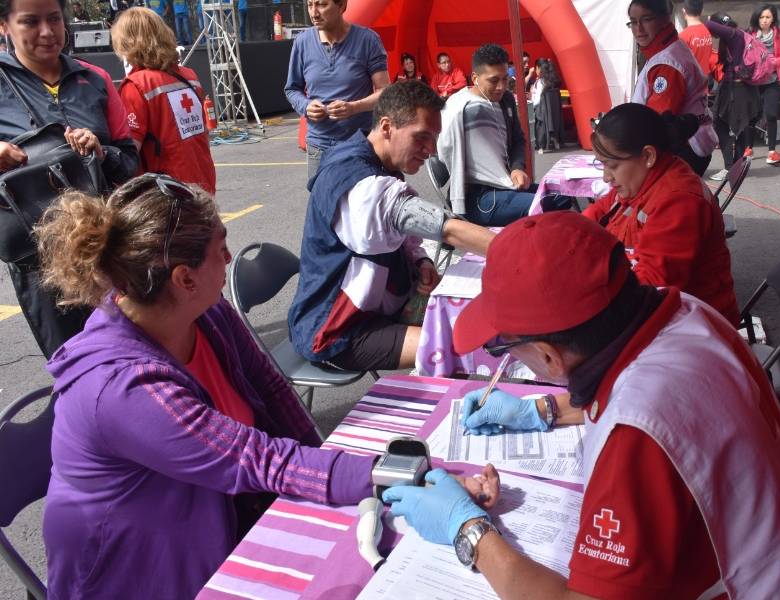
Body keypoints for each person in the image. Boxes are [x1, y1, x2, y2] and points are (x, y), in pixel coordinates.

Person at [35, 174, 500, 597]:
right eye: (221, 247)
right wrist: (406, 474)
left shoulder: (205, 312)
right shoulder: (122, 388)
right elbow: (256, 458)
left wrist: (327, 471)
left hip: (218, 519)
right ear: (184, 278)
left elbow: (273, 394)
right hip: (145, 574)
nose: (230, 257)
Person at [382, 210, 780, 600]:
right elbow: (684, 412)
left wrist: (471, 534)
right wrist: (544, 410)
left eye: (505, 348)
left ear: (546, 354)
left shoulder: (636, 436)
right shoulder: (686, 312)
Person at [288, 80, 496, 372]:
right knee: (461, 343)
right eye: (422, 137)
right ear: (387, 127)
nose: (431, 149)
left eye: (434, 138)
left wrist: (421, 260)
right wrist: (512, 251)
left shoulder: (380, 163)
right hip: (336, 330)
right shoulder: (355, 180)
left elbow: (403, 233)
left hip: (376, 308)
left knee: (479, 319)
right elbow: (439, 226)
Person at [0, 0, 140, 358]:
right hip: (39, 259)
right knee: (76, 363)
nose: (47, 32)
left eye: (54, 19)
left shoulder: (95, 79)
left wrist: (100, 152)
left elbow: (128, 160)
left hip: (106, 247)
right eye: (30, 22)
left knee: (132, 351)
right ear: (4, 26)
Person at [583, 103, 739, 325]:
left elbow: (652, 288)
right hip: (662, 310)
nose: (606, 177)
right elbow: (597, 214)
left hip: (693, 327)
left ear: (648, 155)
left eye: (613, 166)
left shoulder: (679, 200)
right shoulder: (641, 182)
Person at [439, 44, 570, 226]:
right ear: (475, 78)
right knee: (548, 205)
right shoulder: (461, 108)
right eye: (493, 80)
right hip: (479, 197)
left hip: (506, 184)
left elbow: (518, 139)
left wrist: (517, 167)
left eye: (505, 79)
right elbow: (443, 149)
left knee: (562, 197)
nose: (501, 87)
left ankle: (531, 247)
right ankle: (527, 249)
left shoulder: (506, 99)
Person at [111, 7, 216, 194]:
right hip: (202, 187)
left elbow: (128, 156)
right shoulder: (189, 76)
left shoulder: (136, 86)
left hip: (166, 196)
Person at [284, 0, 389, 182]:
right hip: (319, 146)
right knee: (322, 207)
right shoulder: (302, 42)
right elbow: (292, 89)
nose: (314, 13)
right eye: (310, 5)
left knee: (361, 207)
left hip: (359, 144)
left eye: (322, 5)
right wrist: (306, 106)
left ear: (342, 6)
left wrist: (354, 107)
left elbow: (385, 92)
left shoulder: (367, 40)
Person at [627, 0, 717, 176]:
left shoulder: (667, 64)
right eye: (633, 21)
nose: (639, 28)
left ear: (664, 19)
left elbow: (658, 122)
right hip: (694, 141)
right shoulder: (670, 48)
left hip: (681, 148)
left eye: (646, 19)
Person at [706, 12, 761, 182]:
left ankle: (732, 167)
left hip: (739, 88)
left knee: (735, 125)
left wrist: (707, 20)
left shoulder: (733, 33)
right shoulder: (733, 37)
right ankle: (734, 166)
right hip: (732, 86)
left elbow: (710, 26)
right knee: (726, 123)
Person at [748, 3, 780, 165]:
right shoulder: (750, 34)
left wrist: (771, 62)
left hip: (772, 81)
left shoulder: (779, 36)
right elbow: (745, 56)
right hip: (754, 82)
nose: (764, 20)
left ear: (773, 19)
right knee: (751, 115)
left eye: (768, 17)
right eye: (762, 17)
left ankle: (772, 151)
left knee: (771, 114)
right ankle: (748, 148)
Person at [531, 59, 563, 154]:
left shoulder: (540, 82)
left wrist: (531, 107)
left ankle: (540, 145)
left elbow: (536, 101)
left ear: (538, 68)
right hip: (553, 113)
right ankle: (556, 140)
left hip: (542, 111)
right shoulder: (553, 81)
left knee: (536, 120)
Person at [678, 0, 715, 77]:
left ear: (684, 11)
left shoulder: (683, 36)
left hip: (692, 81)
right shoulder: (707, 31)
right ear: (702, 11)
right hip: (706, 79)